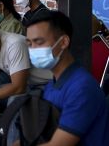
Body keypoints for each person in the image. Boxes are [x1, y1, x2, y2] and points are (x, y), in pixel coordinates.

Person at [23, 10, 109, 145]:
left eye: (39, 42)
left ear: (63, 42)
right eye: (29, 44)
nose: (33, 49)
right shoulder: (53, 85)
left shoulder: (81, 88)